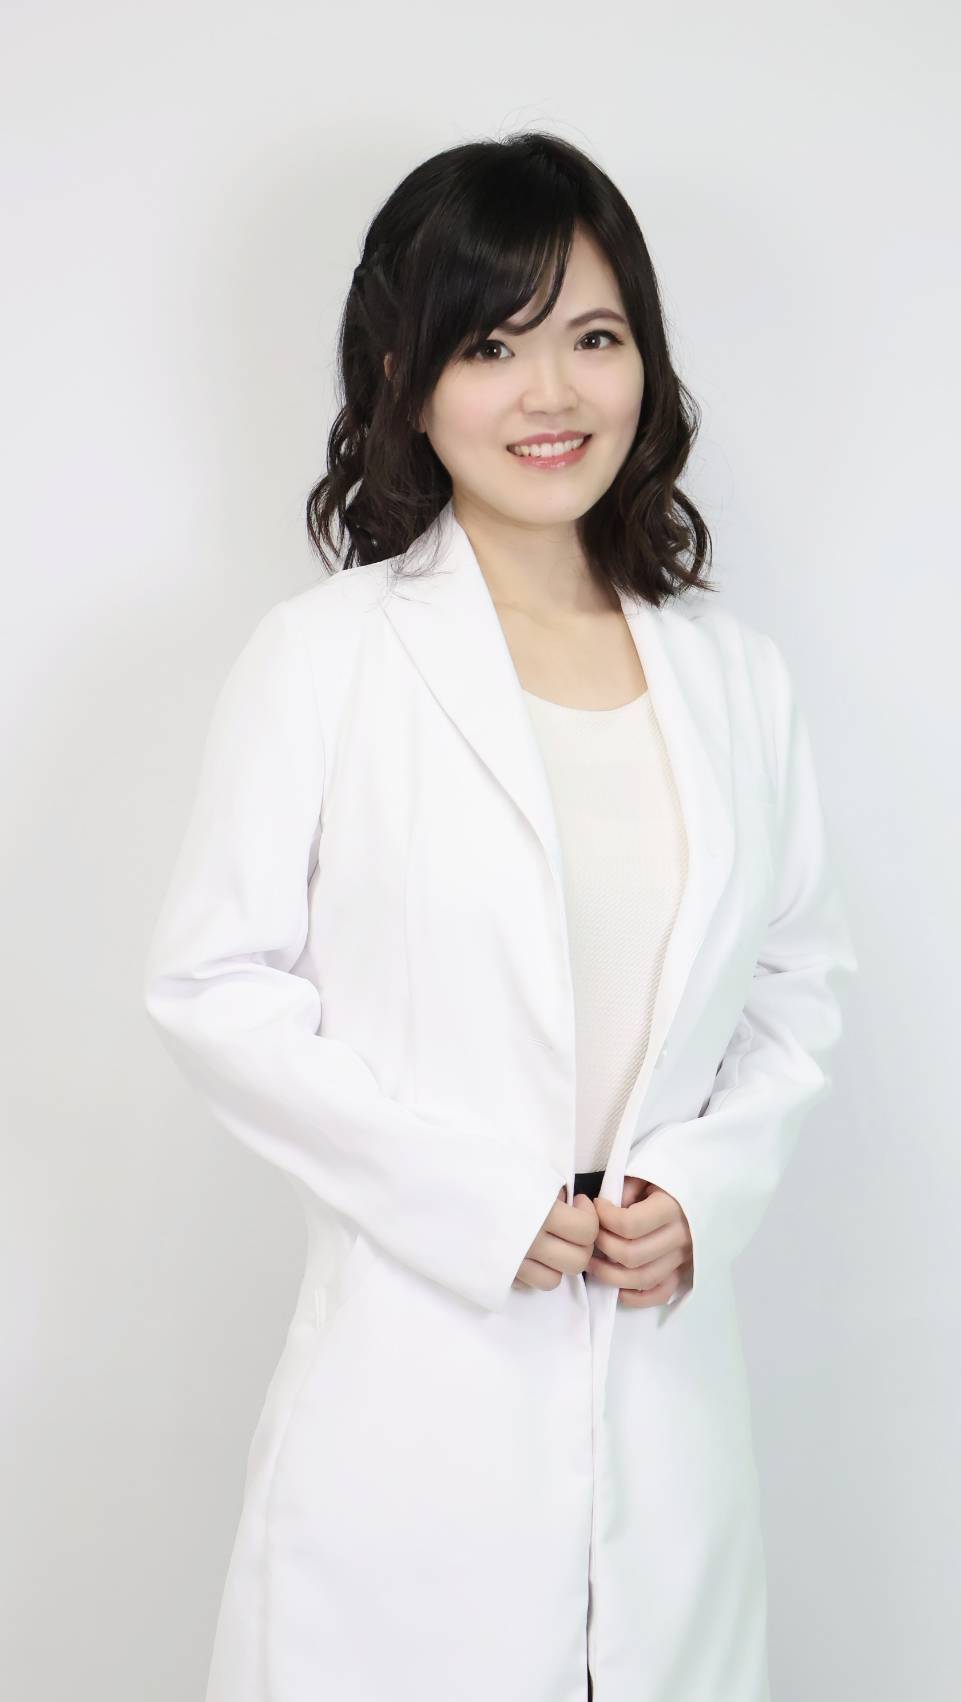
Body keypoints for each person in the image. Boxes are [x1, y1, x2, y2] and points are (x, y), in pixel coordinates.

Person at [143, 131, 858, 1702]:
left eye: (592, 338)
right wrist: (467, 1199)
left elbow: (795, 982)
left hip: (664, 1394)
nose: (552, 394)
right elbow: (213, 983)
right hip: (410, 1404)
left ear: (644, 361)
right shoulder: (325, 659)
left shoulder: (732, 675)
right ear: (404, 379)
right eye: (490, 346)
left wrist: (700, 1188)